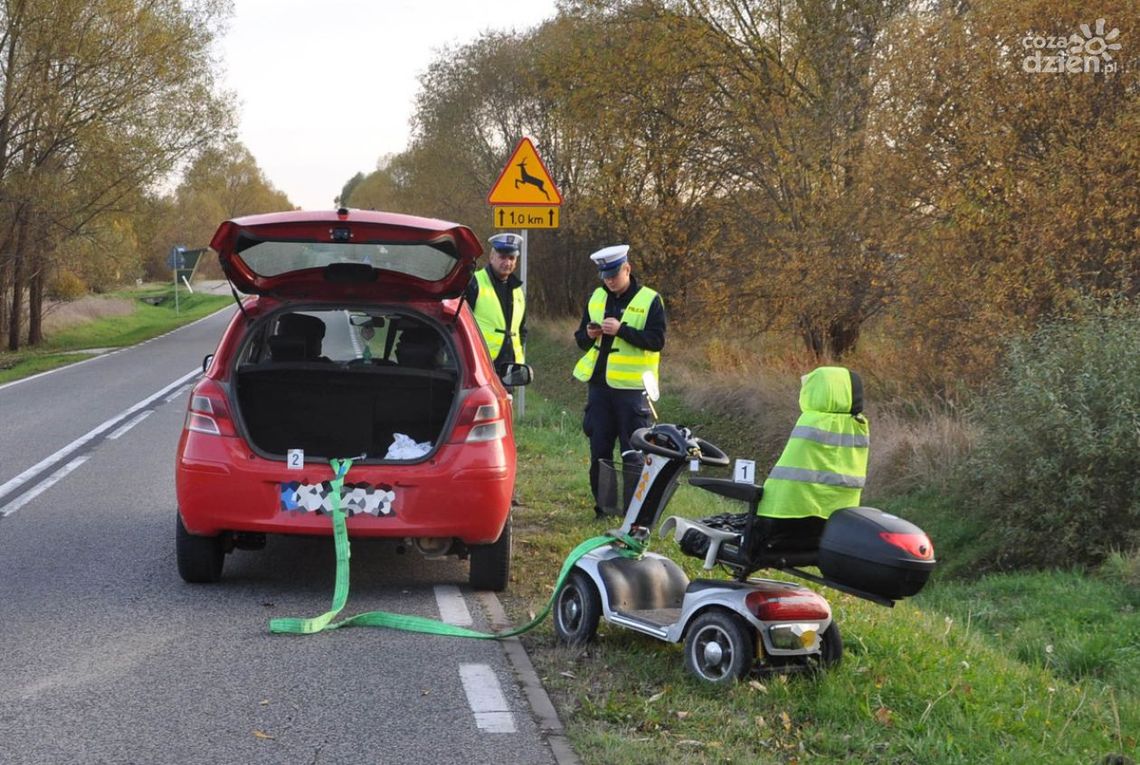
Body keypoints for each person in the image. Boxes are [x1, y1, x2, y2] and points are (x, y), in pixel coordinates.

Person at [573, 244, 667, 519]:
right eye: (605, 276)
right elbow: (580, 339)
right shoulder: (596, 298)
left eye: (614, 274)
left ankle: (631, 512)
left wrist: (622, 331)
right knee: (600, 450)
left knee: (633, 453)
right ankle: (604, 509)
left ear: (628, 269)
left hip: (632, 391)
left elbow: (656, 341)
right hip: (600, 388)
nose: (610, 280)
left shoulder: (650, 299)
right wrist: (589, 335)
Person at [465, 232, 526, 374]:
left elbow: (521, 329)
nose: (507, 262)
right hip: (480, 365)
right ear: (492, 257)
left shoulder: (517, 290)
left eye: (512, 258)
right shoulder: (475, 283)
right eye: (502, 257)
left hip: (509, 367)